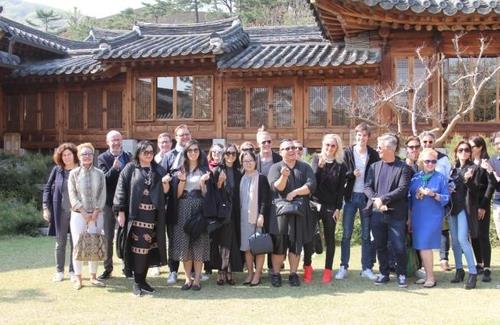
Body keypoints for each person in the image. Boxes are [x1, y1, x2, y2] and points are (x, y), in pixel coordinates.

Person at [113, 140, 170, 296]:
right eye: (146, 152)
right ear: (138, 153)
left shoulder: (158, 169)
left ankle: (143, 280)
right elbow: (121, 190)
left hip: (153, 217)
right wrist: (121, 211)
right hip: (135, 216)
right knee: (137, 249)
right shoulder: (130, 168)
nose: (149, 155)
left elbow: (165, 193)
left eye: (152, 152)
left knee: (148, 249)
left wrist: (166, 185)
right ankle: (137, 283)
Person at [160, 124, 208, 285]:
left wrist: (203, 184)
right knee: (177, 239)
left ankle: (196, 276)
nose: (185, 137)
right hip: (176, 203)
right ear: (176, 137)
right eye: (181, 135)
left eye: (187, 134)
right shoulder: (169, 156)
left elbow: (208, 190)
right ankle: (173, 271)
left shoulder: (202, 162)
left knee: (197, 240)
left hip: (198, 204)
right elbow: (164, 179)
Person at [365, 133, 411, 288]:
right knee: (380, 245)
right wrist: (376, 200)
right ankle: (384, 273)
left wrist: (383, 199)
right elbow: (367, 187)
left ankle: (402, 274)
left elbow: (402, 189)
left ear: (390, 149)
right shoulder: (374, 166)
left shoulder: (403, 168)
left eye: (380, 147)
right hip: (377, 214)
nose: (377, 149)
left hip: (396, 214)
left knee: (398, 245)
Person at [268, 139, 316, 287]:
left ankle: (293, 274)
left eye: (293, 148)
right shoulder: (275, 168)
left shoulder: (305, 167)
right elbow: (277, 188)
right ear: (281, 152)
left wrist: (295, 192)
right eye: (287, 148)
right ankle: (276, 274)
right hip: (280, 214)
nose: (291, 150)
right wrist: (284, 176)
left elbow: (311, 185)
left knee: (296, 245)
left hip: (299, 212)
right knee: (279, 246)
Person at [337, 123, 379, 280]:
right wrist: (351, 174)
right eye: (359, 135)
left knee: (366, 234)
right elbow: (342, 175)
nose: (362, 138)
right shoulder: (347, 152)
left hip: (366, 197)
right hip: (350, 197)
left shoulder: (373, 154)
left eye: (365, 135)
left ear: (368, 137)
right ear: (356, 136)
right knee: (346, 233)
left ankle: (367, 268)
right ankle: (343, 267)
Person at [169, 140, 211, 291]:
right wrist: (182, 180)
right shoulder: (180, 170)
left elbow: (207, 195)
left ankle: (197, 279)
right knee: (185, 244)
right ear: (186, 153)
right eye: (190, 150)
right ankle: (187, 279)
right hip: (183, 208)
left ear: (200, 153)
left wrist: (203, 184)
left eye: (196, 150)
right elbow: (178, 194)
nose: (193, 153)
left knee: (198, 244)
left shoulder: (205, 170)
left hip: (199, 208)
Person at [304, 134, 346, 284]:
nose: (329, 148)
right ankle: (307, 266)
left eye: (333, 146)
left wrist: (338, 208)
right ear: (323, 145)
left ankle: (328, 270)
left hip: (330, 206)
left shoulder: (341, 165)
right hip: (314, 204)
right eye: (327, 145)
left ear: (337, 148)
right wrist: (320, 168)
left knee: (330, 238)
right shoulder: (316, 159)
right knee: (309, 237)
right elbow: (312, 183)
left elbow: (341, 190)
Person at [409, 148, 449, 288]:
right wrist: (409, 217)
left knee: (425, 246)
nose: (431, 164)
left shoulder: (440, 178)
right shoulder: (416, 177)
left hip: (432, 217)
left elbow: (446, 198)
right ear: (421, 162)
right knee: (420, 246)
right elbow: (410, 198)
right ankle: (427, 274)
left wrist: (433, 194)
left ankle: (431, 278)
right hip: (417, 216)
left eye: (433, 161)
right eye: (427, 161)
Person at [68, 143, 106, 290]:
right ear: (79, 156)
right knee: (78, 244)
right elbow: (72, 194)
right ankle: (78, 278)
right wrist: (82, 211)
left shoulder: (100, 173)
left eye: (90, 153)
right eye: (84, 154)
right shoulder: (74, 174)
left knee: (94, 243)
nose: (87, 156)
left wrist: (96, 210)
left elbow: (103, 193)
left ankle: (93, 276)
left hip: (97, 215)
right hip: (79, 215)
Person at [97, 130, 132, 280]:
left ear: (122, 140)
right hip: (108, 204)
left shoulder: (129, 157)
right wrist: (114, 169)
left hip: (125, 203)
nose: (116, 142)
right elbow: (102, 180)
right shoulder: (102, 158)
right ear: (107, 142)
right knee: (108, 237)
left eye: (118, 139)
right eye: (113, 140)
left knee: (126, 236)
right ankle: (108, 268)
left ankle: (127, 267)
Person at [42, 143, 79, 283]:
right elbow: (47, 188)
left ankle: (73, 271)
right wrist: (45, 207)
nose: (66, 157)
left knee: (76, 242)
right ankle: (59, 271)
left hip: (77, 211)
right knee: (60, 242)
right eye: (64, 155)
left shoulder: (81, 169)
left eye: (69, 154)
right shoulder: (57, 170)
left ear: (74, 155)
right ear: (60, 157)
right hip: (60, 211)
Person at [420, 131, 452, 272]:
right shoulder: (418, 158)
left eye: (430, 142)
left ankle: (444, 259)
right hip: (422, 202)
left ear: (434, 143)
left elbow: (449, 177)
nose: (427, 144)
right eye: (425, 142)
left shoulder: (443, 158)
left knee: (443, 229)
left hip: (439, 199)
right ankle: (423, 262)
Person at [211, 144, 243, 285]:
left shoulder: (238, 172)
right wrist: (220, 182)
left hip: (235, 211)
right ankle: (221, 271)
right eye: (228, 153)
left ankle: (229, 271)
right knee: (221, 242)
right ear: (224, 155)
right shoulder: (217, 170)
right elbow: (212, 192)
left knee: (232, 241)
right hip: (221, 212)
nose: (230, 156)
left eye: (233, 154)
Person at [449, 140, 479, 289]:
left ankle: (472, 273)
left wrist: (468, 180)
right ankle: (459, 270)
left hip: (464, 208)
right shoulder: (452, 169)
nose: (463, 153)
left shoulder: (473, 168)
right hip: (452, 208)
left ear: (470, 153)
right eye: (460, 150)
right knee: (454, 241)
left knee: (462, 239)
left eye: (466, 150)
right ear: (456, 152)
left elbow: (476, 191)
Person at [239, 150, 270, 286]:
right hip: (243, 218)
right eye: (245, 161)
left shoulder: (261, 178)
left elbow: (265, 199)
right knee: (247, 247)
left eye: (251, 161)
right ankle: (250, 273)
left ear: (255, 162)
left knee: (259, 246)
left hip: (257, 217)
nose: (248, 163)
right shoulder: (240, 176)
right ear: (242, 163)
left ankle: (258, 274)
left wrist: (262, 214)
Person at [469, 136, 495, 282]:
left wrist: (483, 206)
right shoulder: (470, 163)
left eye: (472, 146)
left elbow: (491, 186)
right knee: (474, 235)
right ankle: (479, 263)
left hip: (482, 204)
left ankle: (487, 268)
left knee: (483, 236)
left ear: (479, 147)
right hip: (470, 205)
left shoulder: (487, 163)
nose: (470, 149)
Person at [255, 127, 282, 272]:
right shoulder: (254, 159)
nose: (266, 144)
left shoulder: (278, 158)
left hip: (275, 202)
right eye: (263, 142)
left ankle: (273, 268)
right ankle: (257, 268)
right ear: (258, 143)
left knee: (274, 235)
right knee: (259, 234)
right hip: (258, 203)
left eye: (269, 141)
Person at [483, 131, 500, 289]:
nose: (499, 146)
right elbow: (493, 184)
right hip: (498, 203)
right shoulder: (493, 160)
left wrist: (492, 172)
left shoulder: (492, 165)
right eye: (496, 143)